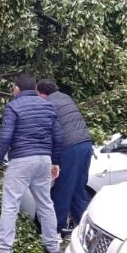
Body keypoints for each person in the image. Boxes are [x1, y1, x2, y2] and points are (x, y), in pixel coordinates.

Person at [0, 73, 63, 253]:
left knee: (11, 203)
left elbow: (5, 137)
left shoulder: (14, 106)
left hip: (21, 159)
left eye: (14, 87)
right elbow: (58, 137)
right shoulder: (48, 106)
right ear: (35, 89)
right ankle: (52, 245)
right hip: (43, 159)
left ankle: (3, 248)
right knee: (45, 203)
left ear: (17, 88)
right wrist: (55, 161)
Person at [36, 79, 93, 236]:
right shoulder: (65, 97)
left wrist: (53, 160)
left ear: (42, 94)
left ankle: (55, 230)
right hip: (86, 144)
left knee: (64, 189)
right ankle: (87, 231)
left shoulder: (47, 104)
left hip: (71, 147)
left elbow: (52, 133)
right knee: (78, 190)